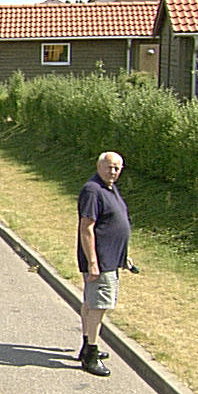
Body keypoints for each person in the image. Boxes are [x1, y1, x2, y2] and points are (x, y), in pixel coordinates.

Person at [76, 150, 134, 376]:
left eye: (117, 168)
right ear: (99, 166)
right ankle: (91, 355)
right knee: (98, 306)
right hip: (100, 262)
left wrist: (123, 255)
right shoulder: (93, 190)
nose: (113, 171)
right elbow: (87, 228)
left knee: (92, 303)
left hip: (111, 257)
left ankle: (86, 346)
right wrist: (93, 263)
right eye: (109, 167)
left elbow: (113, 224)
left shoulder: (109, 188)